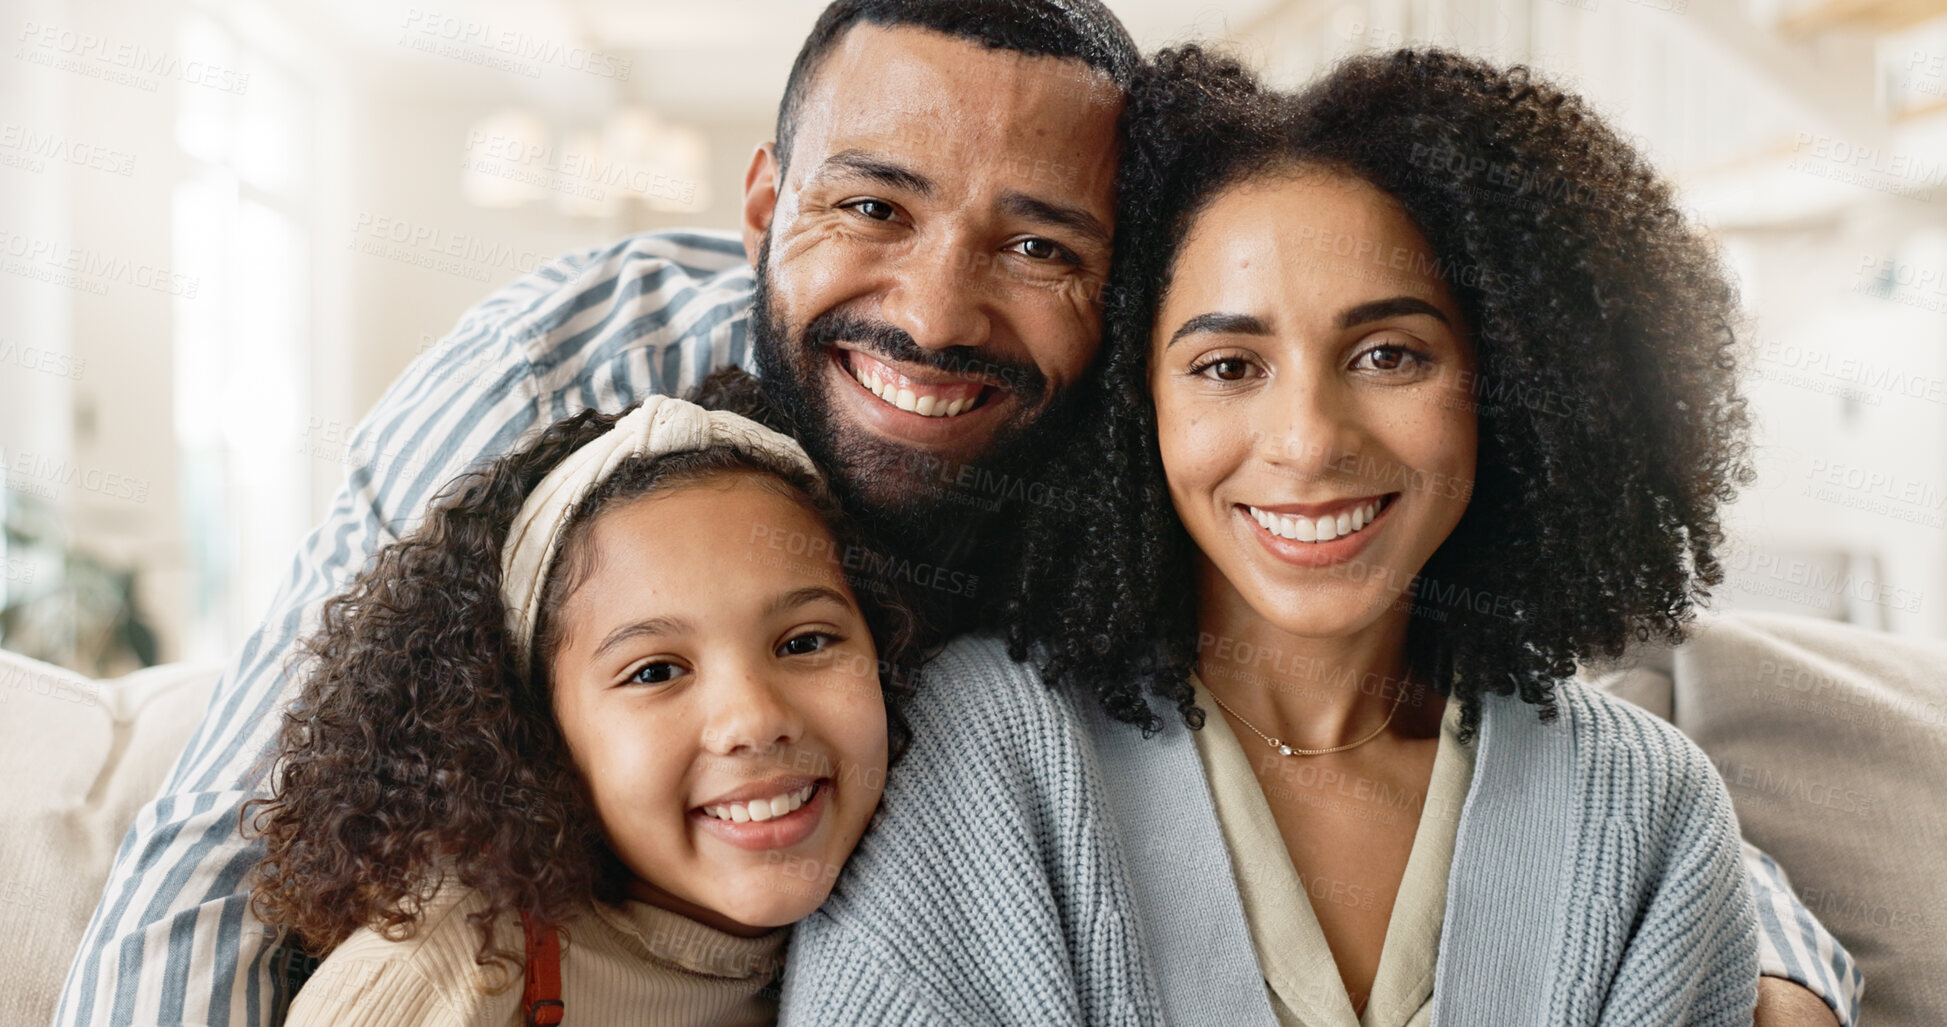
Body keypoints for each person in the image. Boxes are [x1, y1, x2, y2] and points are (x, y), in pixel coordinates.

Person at [53, 3, 1856, 1024]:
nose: (933, 311)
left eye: (1037, 245)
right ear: (763, 199)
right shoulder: (564, 378)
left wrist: (1763, 957)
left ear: (1116, 295)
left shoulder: (1112, 452)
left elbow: (1559, 738)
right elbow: (222, 840)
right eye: (872, 207)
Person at [778, 46, 1858, 1025]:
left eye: (1390, 355)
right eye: (1227, 367)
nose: (1307, 442)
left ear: (1518, 388)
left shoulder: (1649, 812)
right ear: (1133, 405)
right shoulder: (982, 746)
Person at [248, 384, 913, 1026]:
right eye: (654, 670)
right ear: (539, 732)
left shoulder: (910, 916)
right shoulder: (436, 975)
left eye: (804, 642)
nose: (755, 719)